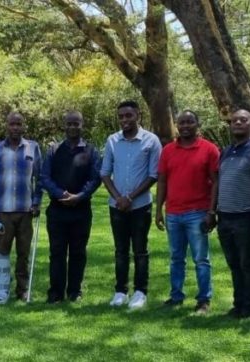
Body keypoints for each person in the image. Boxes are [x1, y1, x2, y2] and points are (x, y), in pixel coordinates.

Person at [154, 111, 219, 315]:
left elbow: (216, 181)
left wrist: (212, 211)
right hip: (173, 213)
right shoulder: (168, 151)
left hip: (198, 212)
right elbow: (162, 181)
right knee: (176, 258)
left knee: (201, 259)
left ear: (197, 124)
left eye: (190, 122)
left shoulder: (209, 149)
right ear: (177, 126)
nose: (185, 126)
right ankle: (176, 296)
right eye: (181, 122)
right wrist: (158, 210)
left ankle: (204, 300)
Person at [101, 100, 161, 310]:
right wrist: (118, 198)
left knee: (140, 250)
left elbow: (154, 174)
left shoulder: (151, 141)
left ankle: (140, 292)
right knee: (120, 250)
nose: (125, 120)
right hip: (116, 205)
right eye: (121, 117)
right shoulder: (112, 141)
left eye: (129, 115)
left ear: (138, 115)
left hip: (140, 206)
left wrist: (131, 198)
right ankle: (120, 291)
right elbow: (105, 173)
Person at [215, 109, 250, 319]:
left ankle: (249, 306)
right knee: (233, 264)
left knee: (247, 264)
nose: (238, 123)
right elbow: (219, 183)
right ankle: (237, 303)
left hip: (246, 218)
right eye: (234, 120)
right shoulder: (226, 152)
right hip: (225, 218)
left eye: (243, 120)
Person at [39, 111, 101, 304]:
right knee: (56, 252)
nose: (73, 127)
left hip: (81, 211)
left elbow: (95, 178)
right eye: (69, 124)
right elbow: (44, 177)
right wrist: (61, 194)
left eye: (77, 124)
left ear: (83, 125)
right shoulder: (53, 150)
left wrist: (79, 196)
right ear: (64, 126)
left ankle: (74, 291)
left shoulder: (91, 151)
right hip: (57, 211)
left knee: (78, 252)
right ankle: (56, 292)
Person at [0, 112, 42, 304]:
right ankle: (2, 289)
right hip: (3, 211)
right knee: (2, 251)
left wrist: (36, 202)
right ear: (6, 125)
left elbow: (39, 178)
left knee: (23, 253)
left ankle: (22, 290)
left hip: (25, 211)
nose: (15, 127)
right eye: (12, 124)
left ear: (23, 126)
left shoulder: (33, 147)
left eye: (19, 124)